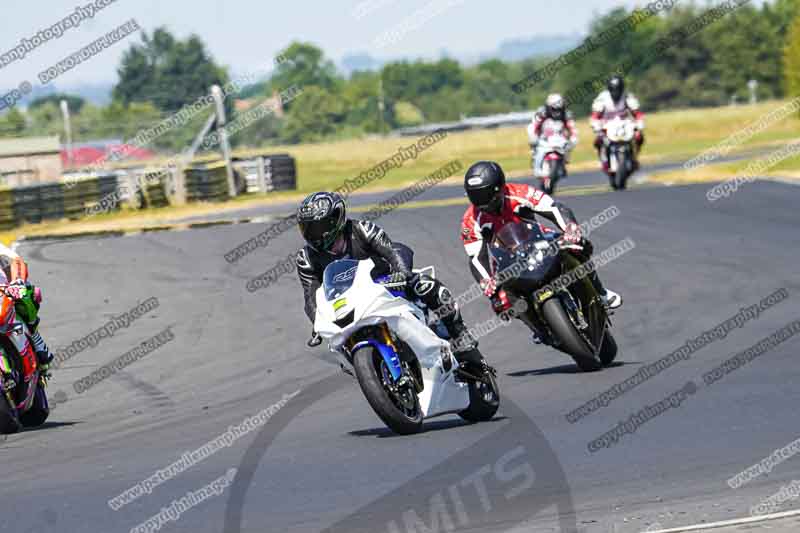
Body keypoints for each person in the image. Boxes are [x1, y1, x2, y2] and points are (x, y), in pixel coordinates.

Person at [295, 191, 490, 371]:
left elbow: (393, 250)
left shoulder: (362, 229)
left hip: (385, 283)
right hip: (345, 302)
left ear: (335, 219)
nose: (314, 234)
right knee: (335, 342)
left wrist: (402, 273)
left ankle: (459, 334)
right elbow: (310, 296)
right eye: (308, 228)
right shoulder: (306, 258)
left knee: (427, 285)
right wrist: (317, 324)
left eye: (318, 227)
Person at [459, 161, 622, 339]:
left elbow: (554, 208)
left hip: (540, 241)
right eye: (475, 196)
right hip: (505, 260)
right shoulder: (470, 220)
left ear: (499, 187)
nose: (482, 202)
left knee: (577, 247)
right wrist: (486, 281)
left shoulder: (519, 193)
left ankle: (601, 293)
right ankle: (536, 327)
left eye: (485, 194)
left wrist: (570, 229)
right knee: (501, 301)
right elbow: (476, 256)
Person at [0, 243, 54, 374]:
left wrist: (17, 281)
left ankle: (35, 336)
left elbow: (15, 259)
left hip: (5, 291)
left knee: (26, 295)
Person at [590, 76, 645, 173]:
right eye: (613, 89)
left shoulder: (628, 97)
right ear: (609, 89)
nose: (616, 92)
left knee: (639, 137)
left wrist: (639, 125)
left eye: (618, 89)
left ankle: (635, 157)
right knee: (598, 141)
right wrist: (596, 125)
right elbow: (595, 115)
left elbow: (637, 113)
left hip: (625, 123)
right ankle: (603, 160)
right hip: (606, 124)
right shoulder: (602, 98)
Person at [527, 93, 578, 179]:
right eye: (554, 109)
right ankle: (535, 161)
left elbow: (572, 127)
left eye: (559, 109)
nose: (557, 112)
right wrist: (533, 135)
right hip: (543, 139)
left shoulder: (566, 114)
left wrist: (573, 137)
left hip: (559, 139)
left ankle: (563, 163)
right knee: (534, 145)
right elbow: (533, 125)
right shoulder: (541, 113)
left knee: (569, 146)